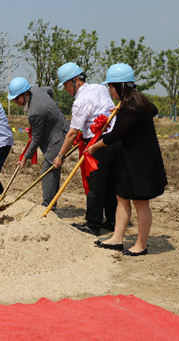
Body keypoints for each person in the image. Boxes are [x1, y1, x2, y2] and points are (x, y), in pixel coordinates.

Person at [87, 63, 167, 256]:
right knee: (122, 197)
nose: (109, 90)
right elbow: (153, 109)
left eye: (111, 86)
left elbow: (115, 136)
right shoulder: (137, 102)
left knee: (140, 202)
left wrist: (94, 147)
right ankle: (116, 238)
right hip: (129, 160)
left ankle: (141, 245)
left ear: (120, 86)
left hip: (141, 163)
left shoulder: (131, 107)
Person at [53, 62, 119, 236]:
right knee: (110, 184)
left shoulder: (81, 100)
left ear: (75, 81)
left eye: (66, 85)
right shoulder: (100, 88)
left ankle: (93, 224)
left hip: (98, 144)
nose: (66, 89)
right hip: (114, 140)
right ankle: (112, 220)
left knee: (95, 185)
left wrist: (60, 155)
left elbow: (73, 132)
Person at [7, 77, 69, 209]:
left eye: (17, 98)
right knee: (52, 172)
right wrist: (51, 110)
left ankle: (48, 206)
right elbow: (50, 90)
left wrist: (25, 158)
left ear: (25, 94)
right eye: (13, 99)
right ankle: (52, 203)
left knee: (47, 173)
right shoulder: (35, 89)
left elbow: (36, 138)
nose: (15, 102)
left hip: (58, 138)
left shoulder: (35, 112)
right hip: (60, 128)